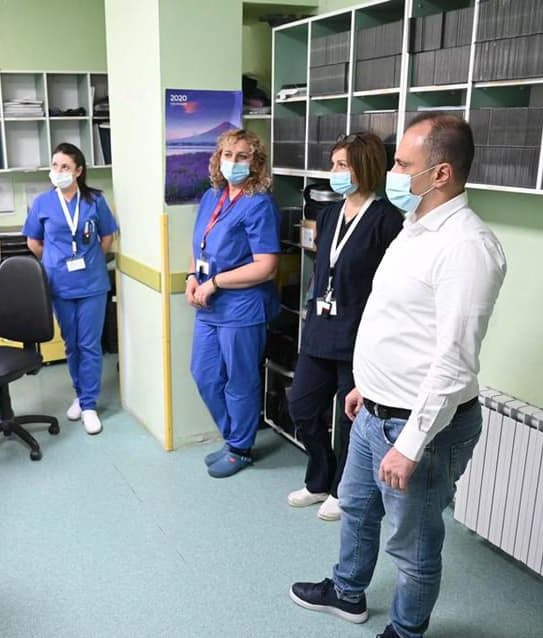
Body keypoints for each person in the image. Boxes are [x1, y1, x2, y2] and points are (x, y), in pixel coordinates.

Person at [289, 114, 506, 638]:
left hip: (419, 428)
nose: (393, 174)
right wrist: (368, 384)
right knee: (357, 511)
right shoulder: (414, 227)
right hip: (375, 410)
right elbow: (398, 321)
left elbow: (454, 360)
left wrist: (410, 444)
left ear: (441, 173)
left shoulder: (467, 247)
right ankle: (348, 592)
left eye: (404, 165)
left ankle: (407, 630)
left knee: (413, 546)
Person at [286, 132, 403, 521]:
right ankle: (319, 478)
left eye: (342, 165)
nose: (333, 172)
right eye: (333, 164)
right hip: (321, 330)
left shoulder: (388, 220)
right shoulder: (329, 214)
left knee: (351, 420)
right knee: (302, 406)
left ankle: (341, 489)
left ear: (364, 168)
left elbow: (389, 289)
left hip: (359, 338)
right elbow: (323, 270)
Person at [187, 129, 280, 478]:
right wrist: (191, 277)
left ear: (255, 162)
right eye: (228, 155)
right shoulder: (212, 196)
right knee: (204, 374)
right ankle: (234, 438)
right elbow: (199, 244)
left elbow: (266, 266)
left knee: (239, 381)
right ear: (218, 158)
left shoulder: (259, 204)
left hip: (242, 307)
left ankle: (240, 448)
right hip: (209, 305)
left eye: (242, 156)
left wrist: (215, 283)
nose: (233, 162)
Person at [23, 142, 118, 435]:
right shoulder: (42, 202)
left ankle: (89, 404)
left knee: (89, 344)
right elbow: (33, 242)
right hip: (59, 284)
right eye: (55, 165)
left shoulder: (95, 200)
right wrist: (55, 262)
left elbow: (107, 237)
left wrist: (91, 261)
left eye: (65, 166)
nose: (58, 171)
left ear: (78, 171)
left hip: (92, 284)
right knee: (71, 343)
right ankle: (80, 393)